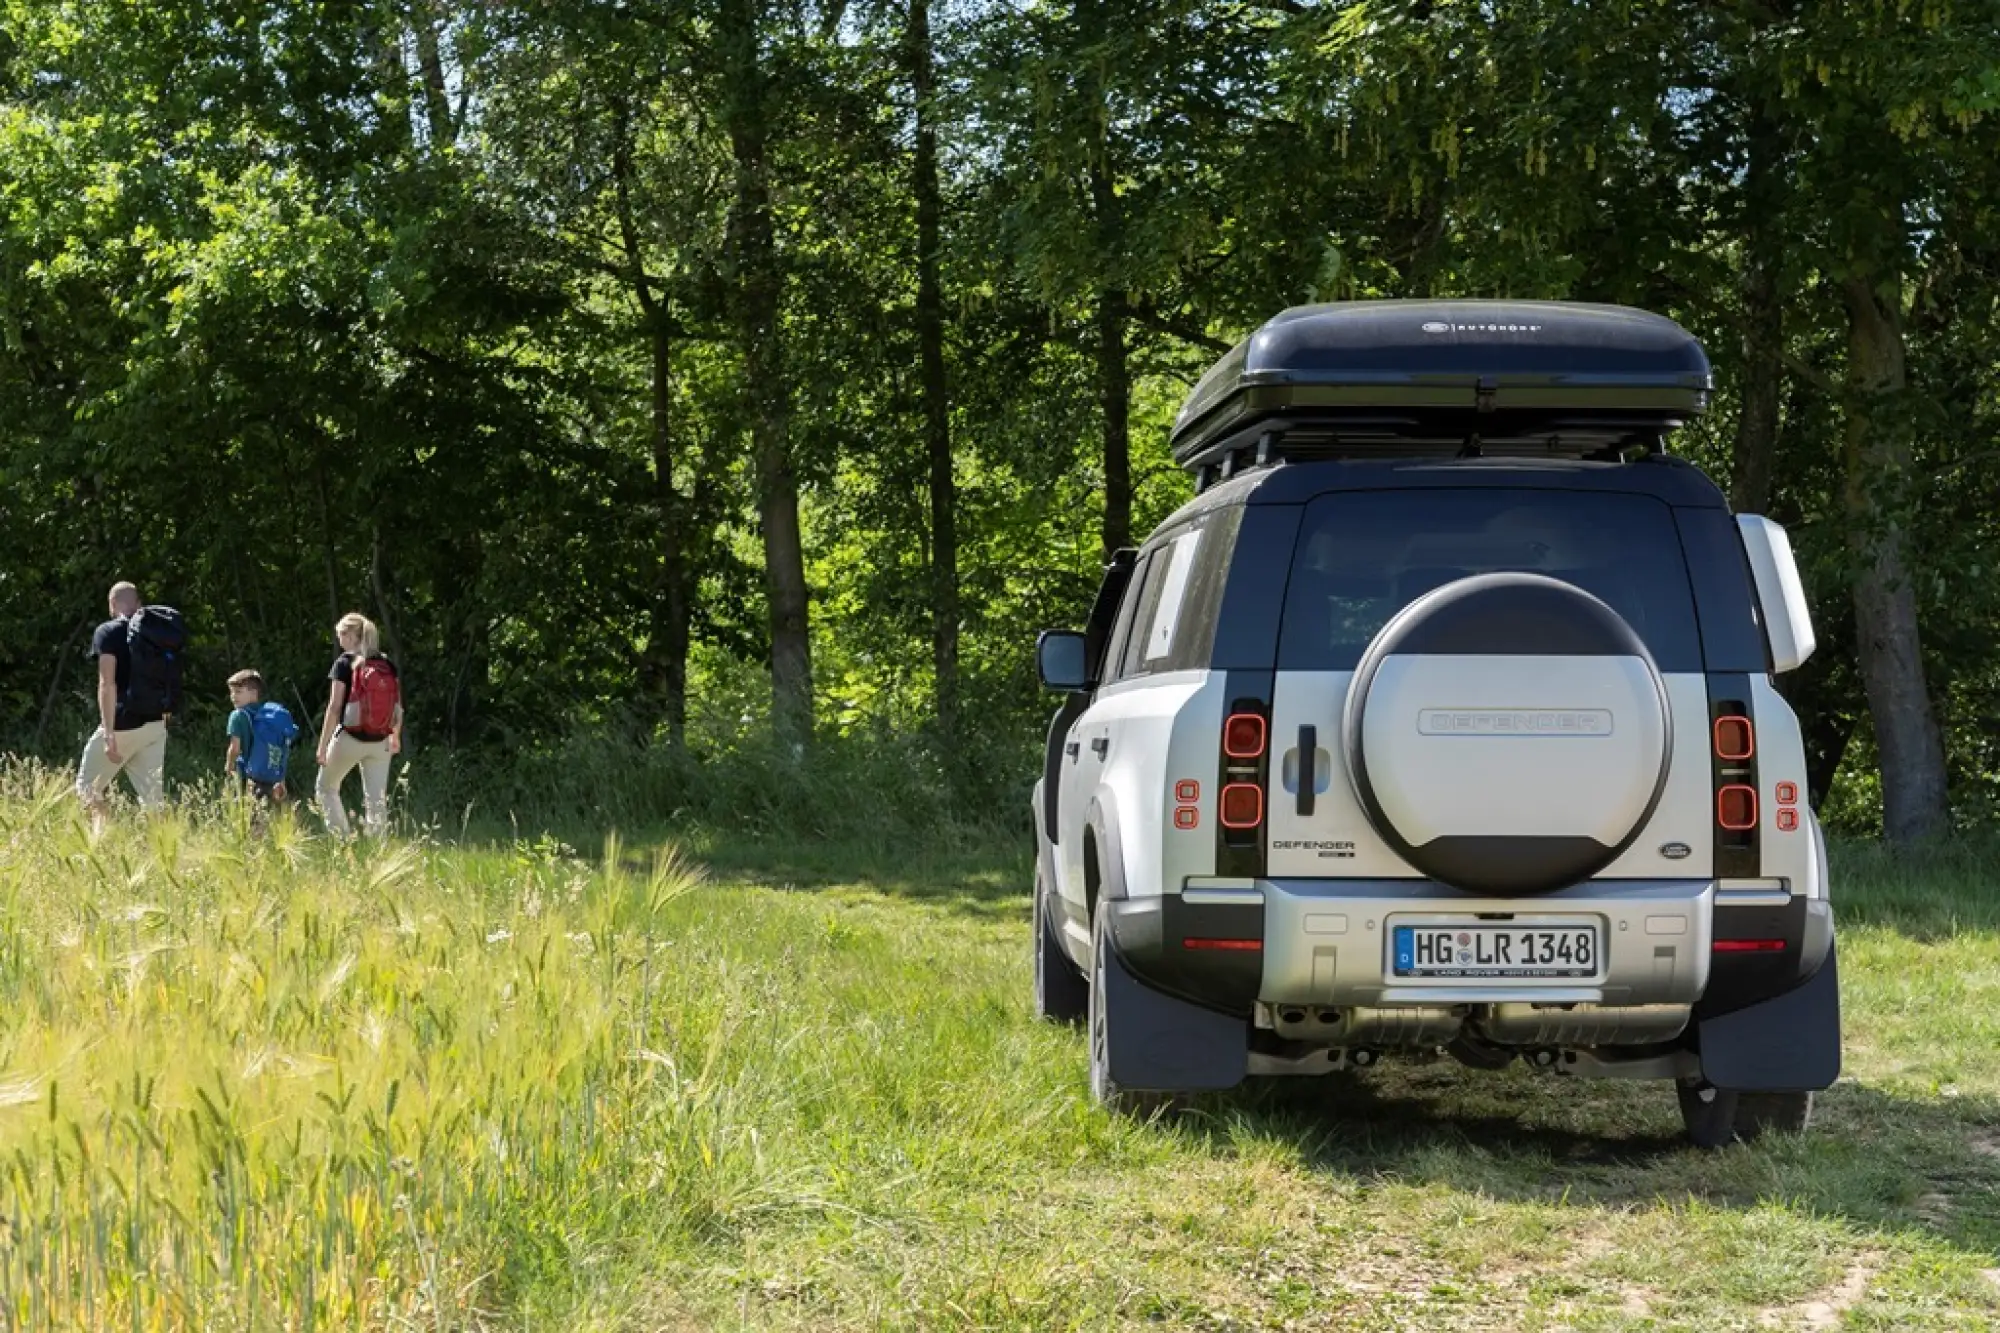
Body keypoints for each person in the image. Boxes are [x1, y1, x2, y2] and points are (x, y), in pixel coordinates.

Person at [75, 581, 175, 819]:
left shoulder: (108, 632)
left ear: (112, 605)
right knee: (153, 802)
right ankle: (164, 851)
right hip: (155, 724)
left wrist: (109, 732)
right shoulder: (157, 634)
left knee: (86, 787)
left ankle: (100, 840)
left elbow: (107, 683)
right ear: (138, 604)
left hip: (122, 725)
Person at [315, 612, 403, 839]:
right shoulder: (387, 664)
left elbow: (335, 708)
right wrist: (396, 736)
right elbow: (397, 706)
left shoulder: (344, 663)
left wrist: (323, 746)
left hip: (350, 738)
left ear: (353, 635)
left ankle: (343, 841)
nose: (339, 640)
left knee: (326, 788)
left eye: (341, 634)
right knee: (376, 801)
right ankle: (379, 852)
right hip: (381, 740)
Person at [224, 669, 298, 808]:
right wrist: (281, 778)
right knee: (263, 812)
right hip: (267, 773)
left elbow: (235, 748)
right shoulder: (268, 715)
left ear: (253, 693)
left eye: (238, 692)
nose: (233, 696)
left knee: (245, 812)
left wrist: (229, 766)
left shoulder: (237, 716)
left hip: (245, 772)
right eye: (231, 692)